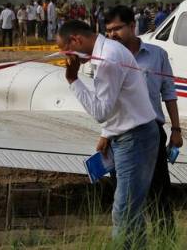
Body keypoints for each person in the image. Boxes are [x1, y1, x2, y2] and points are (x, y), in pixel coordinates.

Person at [57, 20, 158, 247]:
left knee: (123, 210)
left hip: (135, 139)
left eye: (65, 50)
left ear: (76, 40)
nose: (66, 57)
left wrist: (73, 79)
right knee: (131, 209)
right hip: (131, 136)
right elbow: (118, 101)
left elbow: (101, 111)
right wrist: (107, 133)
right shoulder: (108, 51)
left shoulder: (107, 60)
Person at [105, 5, 181, 233]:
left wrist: (176, 129)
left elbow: (169, 92)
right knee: (126, 195)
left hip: (152, 134)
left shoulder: (157, 55)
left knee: (159, 193)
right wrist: (105, 135)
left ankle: (164, 240)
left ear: (132, 26)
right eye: (108, 31)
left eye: (117, 28)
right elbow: (105, 102)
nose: (112, 35)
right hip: (121, 135)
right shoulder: (108, 59)